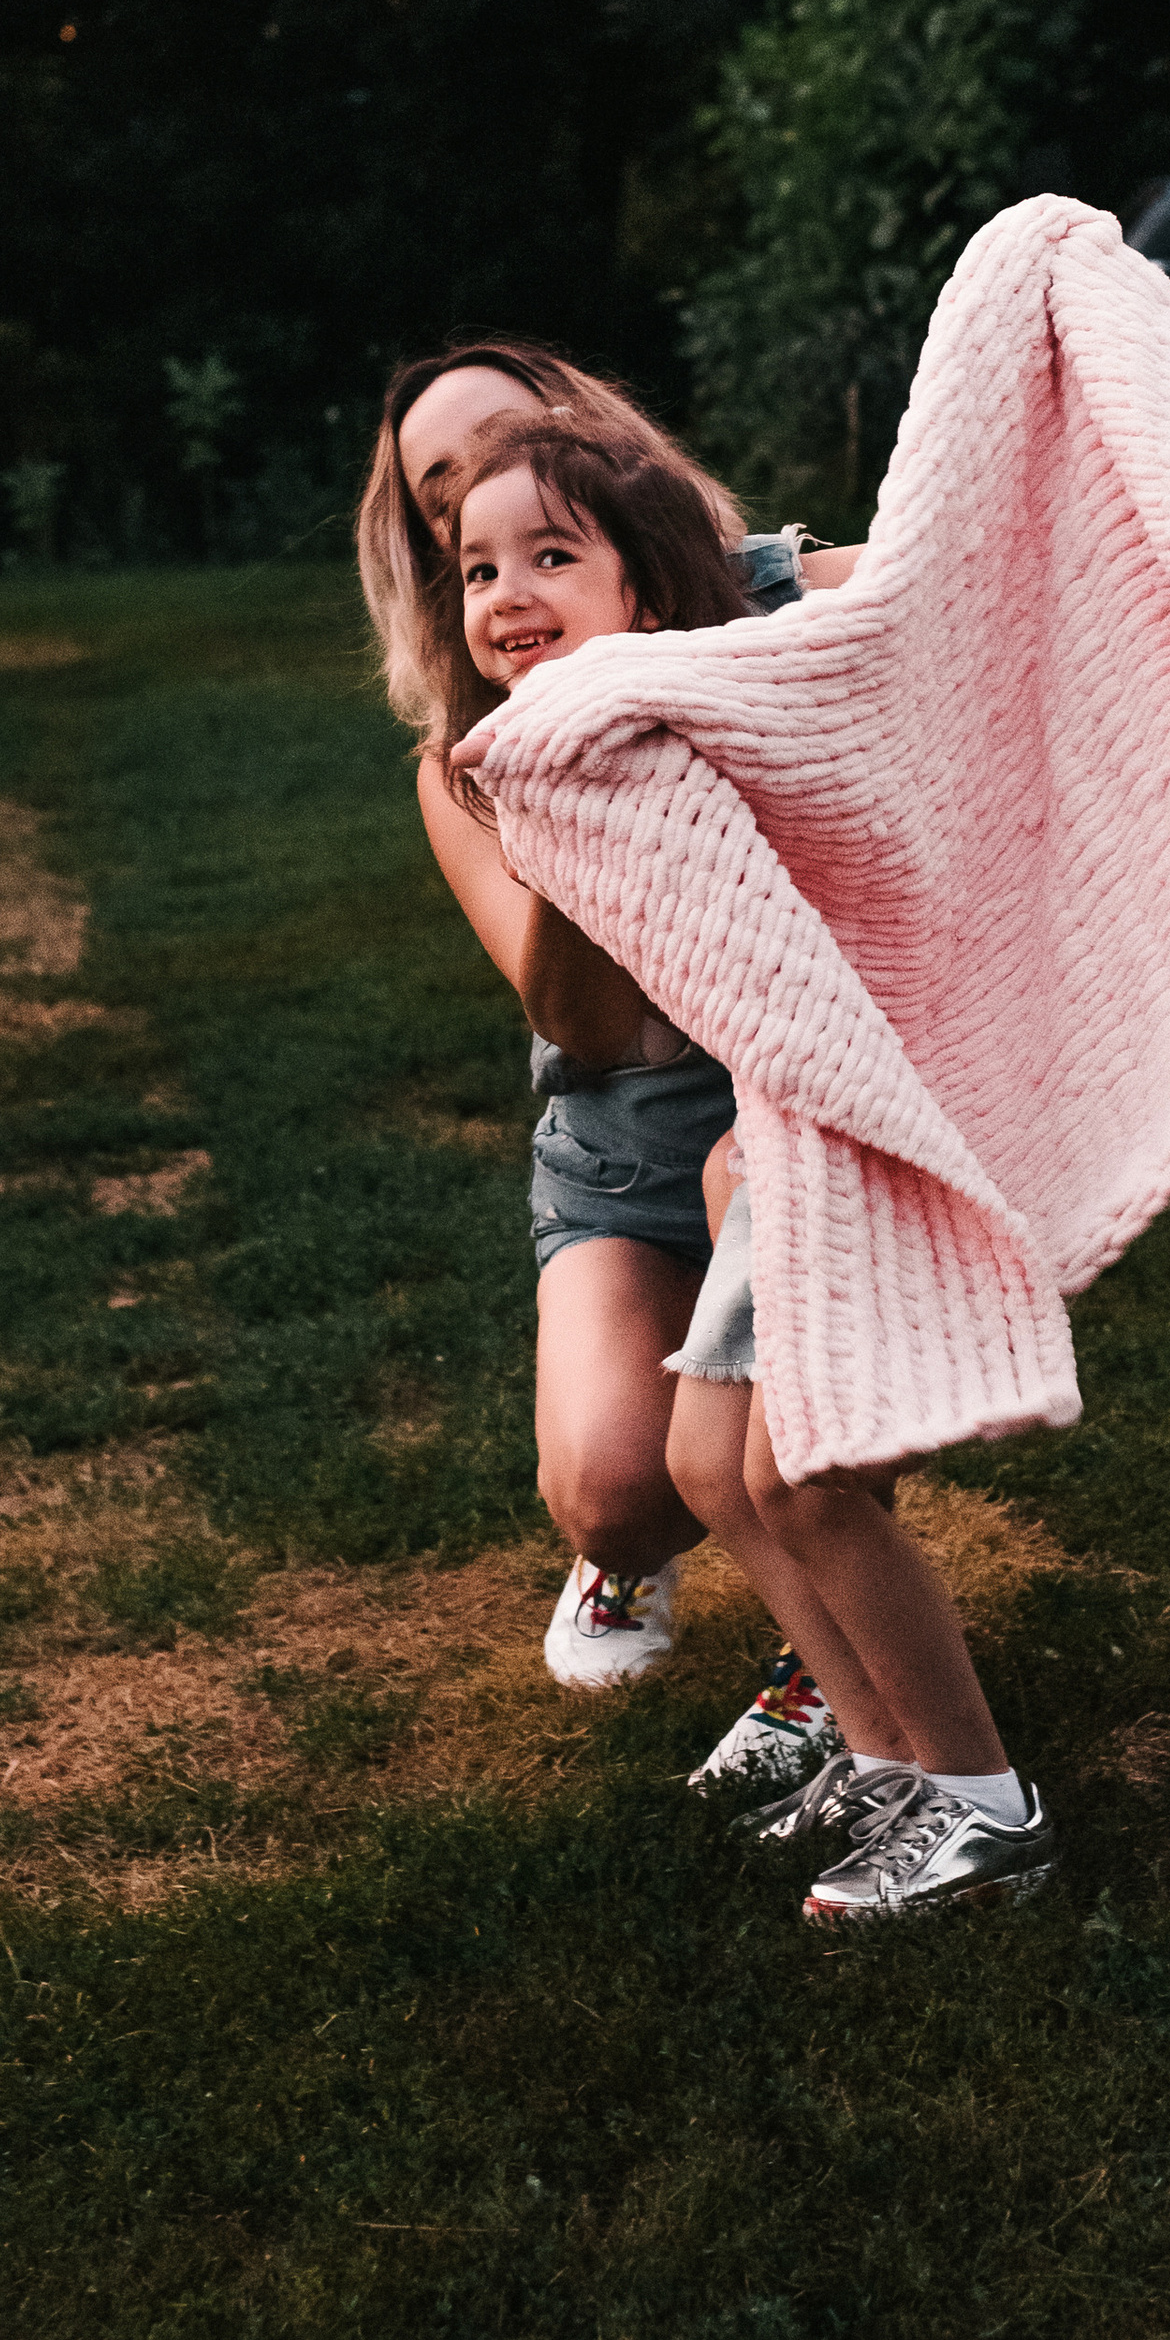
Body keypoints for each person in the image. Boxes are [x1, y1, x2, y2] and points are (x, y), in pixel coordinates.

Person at [439, 416, 1053, 1930]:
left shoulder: (706, 699)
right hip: (749, 1136)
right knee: (712, 1468)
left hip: (831, 1114)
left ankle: (981, 1802)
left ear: (647, 591)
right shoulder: (558, 744)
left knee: (805, 1472)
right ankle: (879, 1748)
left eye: (551, 556)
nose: (507, 590)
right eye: (476, 568)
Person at [362, 339, 859, 1782]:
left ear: (601, 454)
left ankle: (824, 1655)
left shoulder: (783, 604)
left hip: (813, 1115)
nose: (488, 517)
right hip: (630, 1149)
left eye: (510, 446)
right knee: (612, 1484)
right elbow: (580, 1024)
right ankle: (624, 1559)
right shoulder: (470, 753)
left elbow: (976, 581)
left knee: (807, 1401)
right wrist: (566, 790)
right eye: (446, 502)